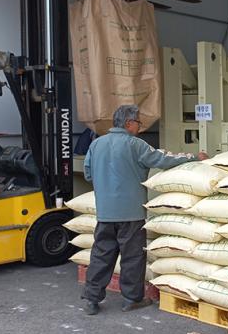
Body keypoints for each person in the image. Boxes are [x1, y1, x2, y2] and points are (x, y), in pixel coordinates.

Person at [82, 104, 208, 315]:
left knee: (101, 256)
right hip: (131, 213)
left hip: (105, 213)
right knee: (132, 257)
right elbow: (163, 160)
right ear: (129, 123)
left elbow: (88, 174)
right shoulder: (136, 145)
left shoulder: (96, 144)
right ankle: (132, 299)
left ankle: (92, 300)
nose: (140, 127)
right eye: (138, 122)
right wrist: (195, 157)